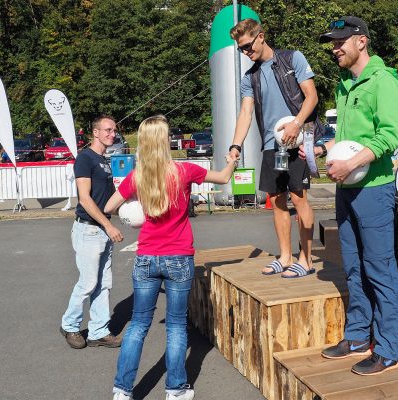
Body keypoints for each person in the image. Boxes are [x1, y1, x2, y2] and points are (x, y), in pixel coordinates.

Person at [106, 116, 237, 400]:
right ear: (165, 141)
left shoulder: (136, 177)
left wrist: (132, 214)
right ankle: (176, 389)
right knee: (176, 325)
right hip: (178, 256)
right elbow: (224, 178)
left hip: (146, 257)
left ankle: (122, 390)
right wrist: (232, 159)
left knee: (138, 324)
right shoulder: (184, 170)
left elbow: (110, 206)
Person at [306, 16, 398, 375]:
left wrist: (350, 164)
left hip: (374, 190)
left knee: (380, 270)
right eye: (332, 43)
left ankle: (390, 348)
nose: (334, 49)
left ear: (361, 41)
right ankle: (359, 335)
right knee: (353, 267)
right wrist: (322, 150)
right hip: (346, 189)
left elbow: (390, 136)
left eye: (339, 42)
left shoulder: (384, 80)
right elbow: (346, 141)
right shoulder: (344, 84)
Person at [228, 18, 320, 278]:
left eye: (247, 46)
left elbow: (312, 96)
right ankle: (285, 257)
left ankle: (306, 258)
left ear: (261, 36)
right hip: (272, 146)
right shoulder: (250, 77)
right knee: (277, 201)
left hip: (299, 139)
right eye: (240, 49)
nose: (246, 52)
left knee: (299, 198)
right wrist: (236, 145)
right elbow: (246, 112)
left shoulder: (292, 59)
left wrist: (297, 123)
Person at [60, 115, 124, 350]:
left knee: (103, 284)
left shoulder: (104, 161)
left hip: (102, 230)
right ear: (95, 132)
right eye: (107, 130)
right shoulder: (85, 158)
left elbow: (109, 202)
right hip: (89, 230)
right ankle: (69, 325)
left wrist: (135, 215)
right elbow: (85, 199)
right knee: (87, 283)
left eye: (114, 130)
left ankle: (98, 331)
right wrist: (108, 225)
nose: (112, 133)